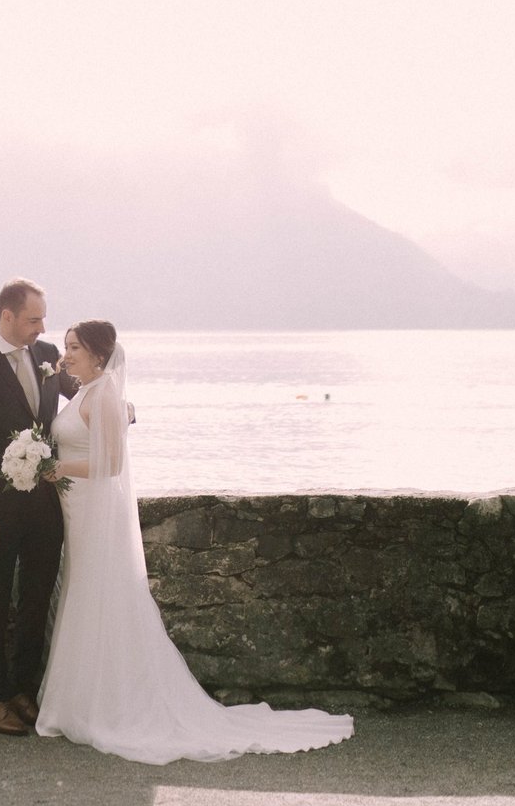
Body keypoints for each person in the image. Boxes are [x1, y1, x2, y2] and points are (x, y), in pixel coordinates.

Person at [35, 319, 355, 764]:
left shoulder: (105, 392)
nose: (66, 354)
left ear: (97, 355)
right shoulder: (87, 391)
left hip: (93, 511)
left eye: (74, 348)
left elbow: (109, 466)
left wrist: (59, 470)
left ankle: (105, 706)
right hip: (78, 514)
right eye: (67, 347)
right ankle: (80, 700)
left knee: (101, 594)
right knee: (83, 593)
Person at [0, 278, 74, 736]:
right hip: (0, 509)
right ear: (7, 316)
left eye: (43, 318)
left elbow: (81, 393)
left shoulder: (45, 357)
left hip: (46, 505)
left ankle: (24, 689)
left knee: (37, 599)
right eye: (33, 319)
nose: (42, 328)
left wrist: (116, 407)